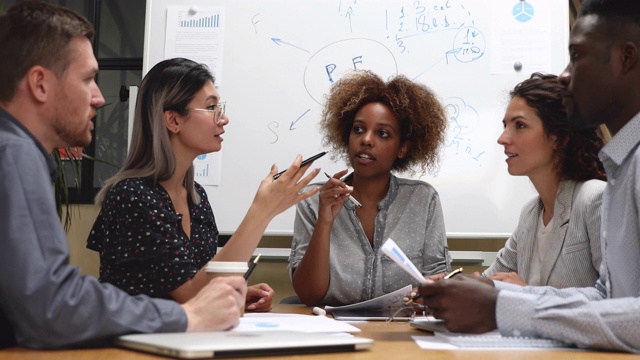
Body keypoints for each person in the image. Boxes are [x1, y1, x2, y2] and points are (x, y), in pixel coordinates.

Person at [0, 1, 261, 349]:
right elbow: (53, 308)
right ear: (40, 84)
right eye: (89, 79)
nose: (99, 98)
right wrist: (187, 316)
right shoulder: (13, 154)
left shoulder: (17, 154)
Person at [419, 0, 640, 352]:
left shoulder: (601, 190)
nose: (565, 75)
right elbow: (608, 299)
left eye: (577, 56)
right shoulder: (621, 168)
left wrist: (505, 305)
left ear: (626, 58)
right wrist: (484, 294)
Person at [86, 57, 320, 311]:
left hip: (185, 339)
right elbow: (191, 295)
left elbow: (203, 284)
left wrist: (237, 295)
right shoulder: (132, 197)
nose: (224, 118)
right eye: (211, 108)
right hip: (135, 344)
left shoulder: (196, 197)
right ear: (173, 120)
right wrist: (263, 211)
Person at [289, 70, 451, 306]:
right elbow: (309, 295)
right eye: (358, 129)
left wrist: (427, 294)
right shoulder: (314, 200)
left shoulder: (422, 199)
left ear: (402, 149)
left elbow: (438, 281)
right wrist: (325, 221)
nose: (366, 140)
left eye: (382, 133)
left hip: (399, 330)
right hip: (331, 327)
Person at [481, 73, 606, 288]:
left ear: (559, 136)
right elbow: (490, 280)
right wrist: (447, 287)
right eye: (505, 125)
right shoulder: (531, 213)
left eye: (519, 125)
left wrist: (527, 294)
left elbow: (616, 300)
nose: (502, 138)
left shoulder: (595, 198)